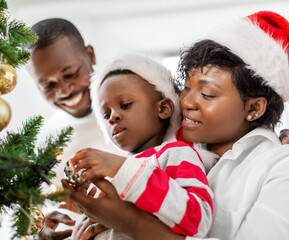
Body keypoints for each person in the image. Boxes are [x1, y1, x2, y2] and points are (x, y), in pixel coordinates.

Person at [63, 10, 289, 240]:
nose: (186, 102)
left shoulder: (282, 168)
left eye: (207, 94)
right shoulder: (165, 150)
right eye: (185, 87)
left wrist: (131, 222)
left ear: (254, 109)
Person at [68, 54, 214, 239]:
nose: (113, 117)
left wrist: (124, 169)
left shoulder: (176, 153)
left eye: (125, 105)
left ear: (163, 109)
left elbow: (197, 220)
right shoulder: (110, 174)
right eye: (106, 115)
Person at [23, 18, 126, 239]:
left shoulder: (134, 113)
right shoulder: (45, 138)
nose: (65, 90)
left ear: (90, 56)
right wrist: (39, 227)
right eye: (48, 85)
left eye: (70, 74)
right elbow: (26, 208)